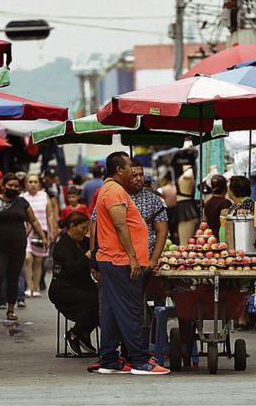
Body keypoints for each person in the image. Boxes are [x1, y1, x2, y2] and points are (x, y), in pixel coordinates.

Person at [93, 152, 169, 375]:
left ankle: (108, 359)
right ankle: (140, 361)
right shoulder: (114, 191)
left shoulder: (110, 190)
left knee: (111, 311)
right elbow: (120, 226)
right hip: (119, 260)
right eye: (129, 168)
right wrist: (134, 258)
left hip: (113, 259)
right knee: (130, 311)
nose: (134, 172)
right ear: (119, 170)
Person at [0, 173, 49, 322]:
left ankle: (11, 309)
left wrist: (43, 236)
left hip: (18, 247)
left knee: (13, 277)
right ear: (3, 186)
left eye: (16, 186)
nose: (13, 188)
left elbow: (33, 220)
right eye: (10, 186)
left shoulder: (22, 203)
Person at [49, 211, 98, 356]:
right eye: (83, 229)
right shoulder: (62, 246)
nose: (85, 232)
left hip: (81, 286)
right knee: (93, 301)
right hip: (63, 289)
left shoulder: (82, 242)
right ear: (72, 226)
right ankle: (73, 334)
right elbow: (72, 269)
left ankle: (83, 333)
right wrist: (88, 255)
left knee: (103, 300)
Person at [226, 175, 256, 331]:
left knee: (242, 284)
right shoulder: (236, 205)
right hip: (234, 249)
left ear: (233, 190)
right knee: (239, 284)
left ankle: (244, 318)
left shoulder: (247, 205)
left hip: (243, 250)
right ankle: (242, 316)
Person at [21, 174, 56, 298]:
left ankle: (35, 287)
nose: (33, 184)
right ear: (26, 184)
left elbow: (50, 215)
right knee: (27, 258)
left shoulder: (44, 196)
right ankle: (28, 287)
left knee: (38, 260)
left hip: (42, 232)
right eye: (30, 182)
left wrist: (52, 231)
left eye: (35, 182)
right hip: (26, 232)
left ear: (39, 184)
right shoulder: (22, 197)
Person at [158, 172, 178, 244]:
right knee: (175, 228)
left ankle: (170, 241)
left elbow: (161, 201)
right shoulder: (175, 188)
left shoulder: (163, 189)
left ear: (165, 179)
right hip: (176, 210)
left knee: (169, 227)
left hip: (168, 211)